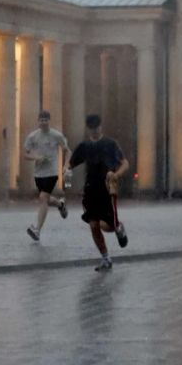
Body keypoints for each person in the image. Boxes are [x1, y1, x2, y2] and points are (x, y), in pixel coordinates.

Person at [67, 114, 129, 272]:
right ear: (88, 129)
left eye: (97, 127)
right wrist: (66, 170)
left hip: (109, 188)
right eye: (92, 128)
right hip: (91, 189)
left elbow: (125, 163)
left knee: (107, 224)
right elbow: (71, 162)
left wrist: (116, 174)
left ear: (101, 127)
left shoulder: (110, 144)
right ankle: (105, 258)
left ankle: (118, 227)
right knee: (94, 224)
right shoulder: (85, 146)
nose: (95, 130)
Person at [24, 110, 71, 241]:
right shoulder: (33, 136)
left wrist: (66, 165)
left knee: (43, 197)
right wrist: (35, 157)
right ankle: (60, 205)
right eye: (41, 120)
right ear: (38, 121)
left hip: (52, 172)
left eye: (46, 120)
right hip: (38, 173)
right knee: (46, 199)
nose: (43, 122)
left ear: (49, 121)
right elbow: (25, 154)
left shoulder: (56, 135)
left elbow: (68, 151)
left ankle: (37, 230)